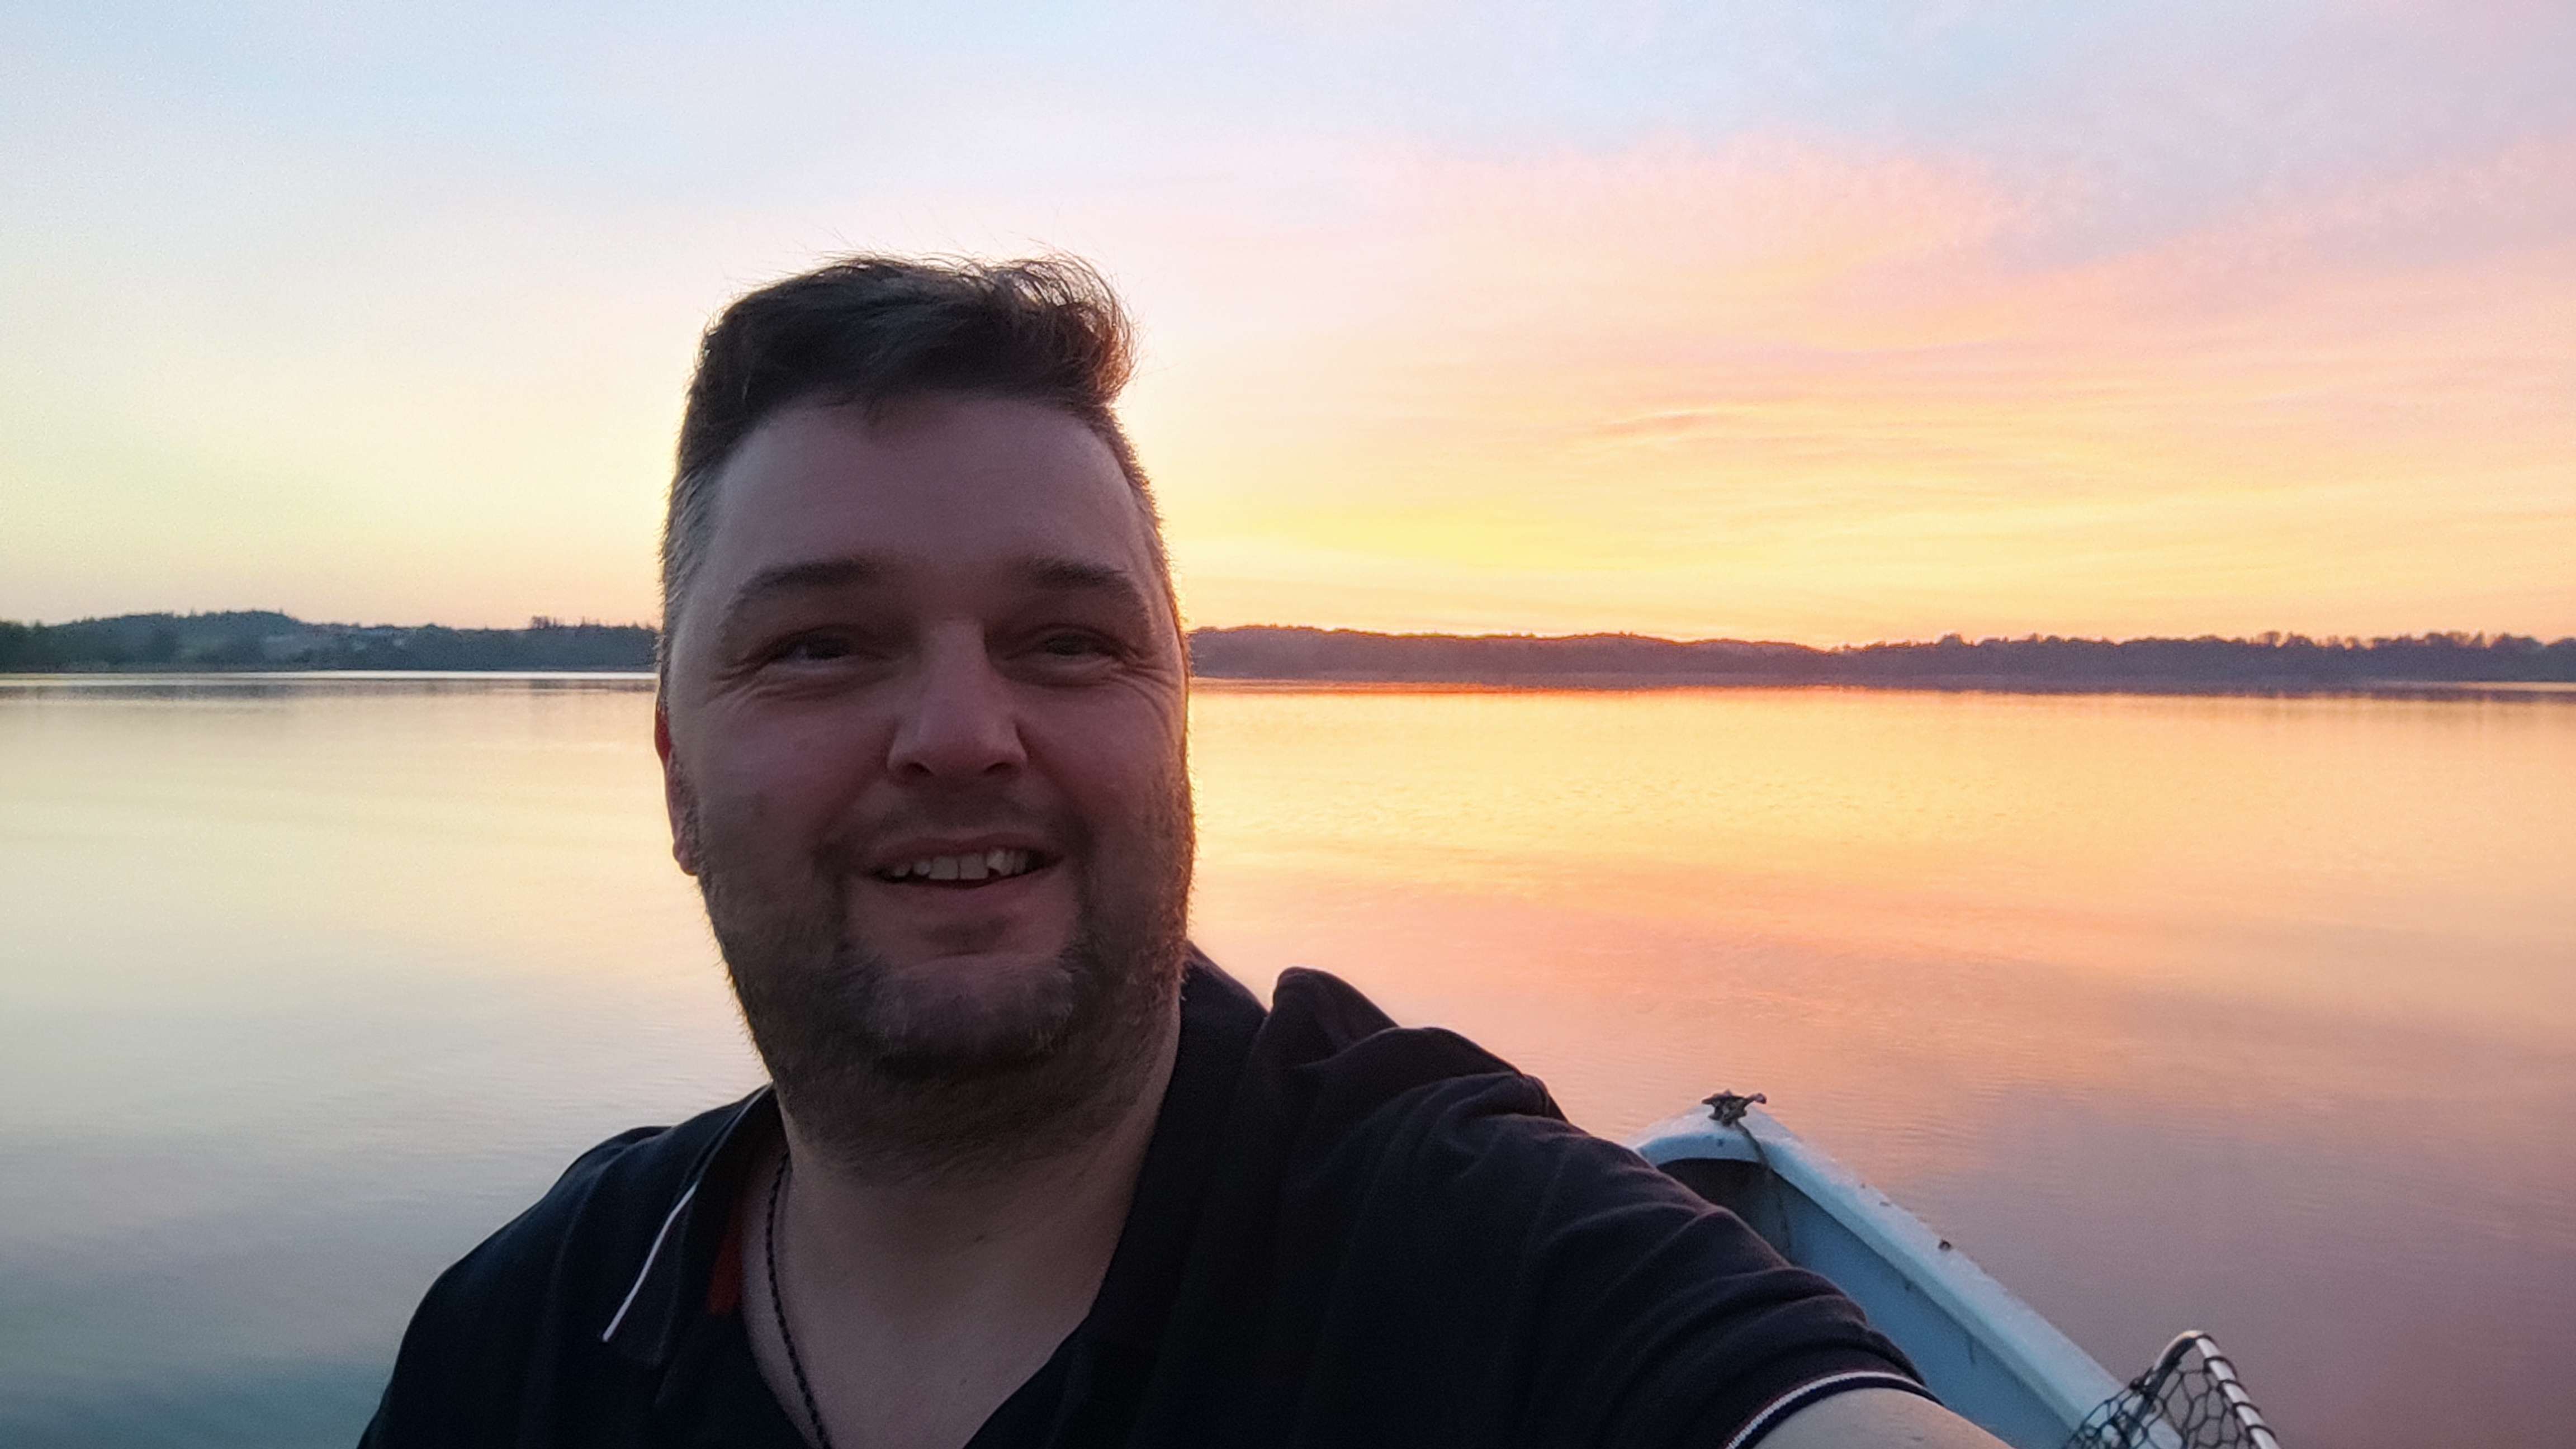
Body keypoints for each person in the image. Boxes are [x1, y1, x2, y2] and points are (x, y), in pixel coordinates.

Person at [362, 255, 2004, 1449]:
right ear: (674, 773)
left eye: (1068, 642)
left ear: (1178, 732)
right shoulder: (530, 1332)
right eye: (821, 646)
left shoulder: (1480, 1265)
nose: (962, 733)